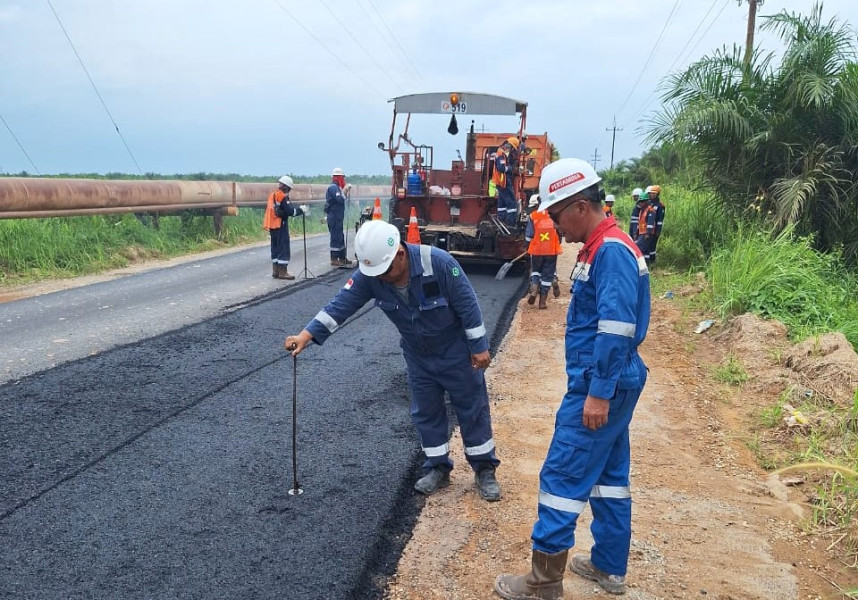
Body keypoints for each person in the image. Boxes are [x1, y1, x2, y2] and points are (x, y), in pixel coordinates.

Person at [494, 158, 650, 600]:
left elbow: (615, 329)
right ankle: (608, 567)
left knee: (563, 475)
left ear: (580, 206)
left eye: (557, 215)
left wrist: (598, 393)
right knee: (609, 474)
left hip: (603, 382)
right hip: (612, 381)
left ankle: (543, 583)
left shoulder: (611, 252)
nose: (555, 227)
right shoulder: (602, 246)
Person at [284, 220, 502, 502]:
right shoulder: (372, 274)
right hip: (418, 356)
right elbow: (341, 304)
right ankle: (437, 468)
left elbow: (468, 304)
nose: (382, 277)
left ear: (400, 253)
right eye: (376, 272)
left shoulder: (438, 263)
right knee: (426, 412)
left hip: (456, 352)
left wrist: (479, 347)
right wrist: (306, 335)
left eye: (385, 270)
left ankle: (484, 469)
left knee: (472, 408)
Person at [263, 175, 304, 280]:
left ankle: (275, 271)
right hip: (280, 225)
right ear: (286, 187)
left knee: (275, 248)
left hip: (272, 226)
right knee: (283, 248)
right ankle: (283, 272)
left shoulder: (273, 195)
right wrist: (301, 210)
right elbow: (290, 212)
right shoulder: (282, 197)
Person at [524, 194, 562, 309]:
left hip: (536, 250)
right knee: (547, 275)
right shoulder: (554, 215)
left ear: (538, 202)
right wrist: (557, 242)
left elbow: (529, 236)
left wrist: (527, 248)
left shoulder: (533, 215)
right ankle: (542, 302)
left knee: (536, 271)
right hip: (551, 250)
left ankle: (534, 290)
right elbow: (560, 232)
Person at [325, 167, 355, 268]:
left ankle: (342, 257)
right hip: (333, 217)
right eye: (342, 177)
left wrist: (345, 191)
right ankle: (334, 259)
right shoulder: (333, 188)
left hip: (338, 217)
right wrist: (345, 192)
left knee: (340, 237)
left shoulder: (338, 188)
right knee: (335, 237)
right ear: (338, 177)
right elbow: (340, 200)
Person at [492, 137, 520, 227]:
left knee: (502, 203)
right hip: (503, 182)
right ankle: (510, 225)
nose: (512, 151)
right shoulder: (501, 154)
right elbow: (501, 168)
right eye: (512, 148)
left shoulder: (500, 153)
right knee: (512, 203)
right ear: (510, 146)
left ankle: (501, 222)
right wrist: (512, 169)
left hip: (500, 182)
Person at [646, 184, 665, 265]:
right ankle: (648, 262)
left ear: (658, 194)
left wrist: (658, 230)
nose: (652, 194)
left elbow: (660, 220)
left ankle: (652, 262)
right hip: (647, 229)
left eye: (654, 193)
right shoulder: (648, 203)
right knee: (647, 245)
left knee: (652, 246)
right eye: (651, 193)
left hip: (655, 230)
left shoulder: (660, 205)